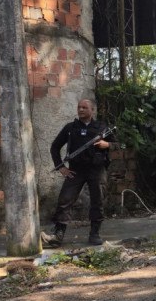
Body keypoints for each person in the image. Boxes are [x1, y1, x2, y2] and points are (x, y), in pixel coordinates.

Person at [41, 99, 118, 247]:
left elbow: (119, 145)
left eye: (84, 107)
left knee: (98, 201)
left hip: (97, 169)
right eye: (79, 107)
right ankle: (58, 235)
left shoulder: (102, 127)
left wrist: (106, 144)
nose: (81, 109)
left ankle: (95, 233)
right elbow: (55, 147)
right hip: (76, 170)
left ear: (92, 110)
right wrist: (60, 167)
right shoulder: (71, 128)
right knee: (65, 200)